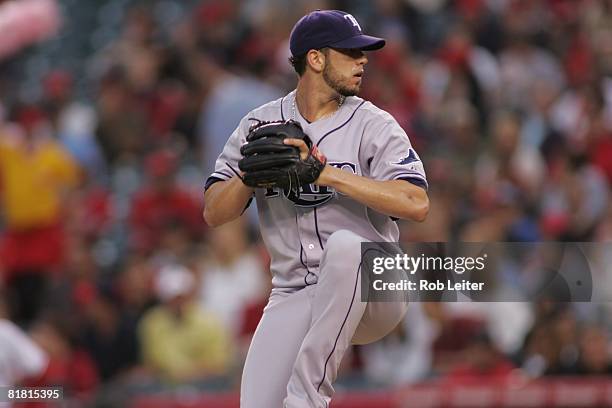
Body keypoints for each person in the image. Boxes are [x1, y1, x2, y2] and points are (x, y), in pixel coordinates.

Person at [203, 9, 429, 408]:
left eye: (363, 53)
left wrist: (329, 176)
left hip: (375, 285)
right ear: (316, 58)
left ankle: (307, 398)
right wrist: (249, 177)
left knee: (345, 246)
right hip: (296, 290)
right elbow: (214, 213)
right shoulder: (260, 124)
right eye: (350, 52)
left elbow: (416, 203)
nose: (363, 60)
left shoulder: (374, 125)